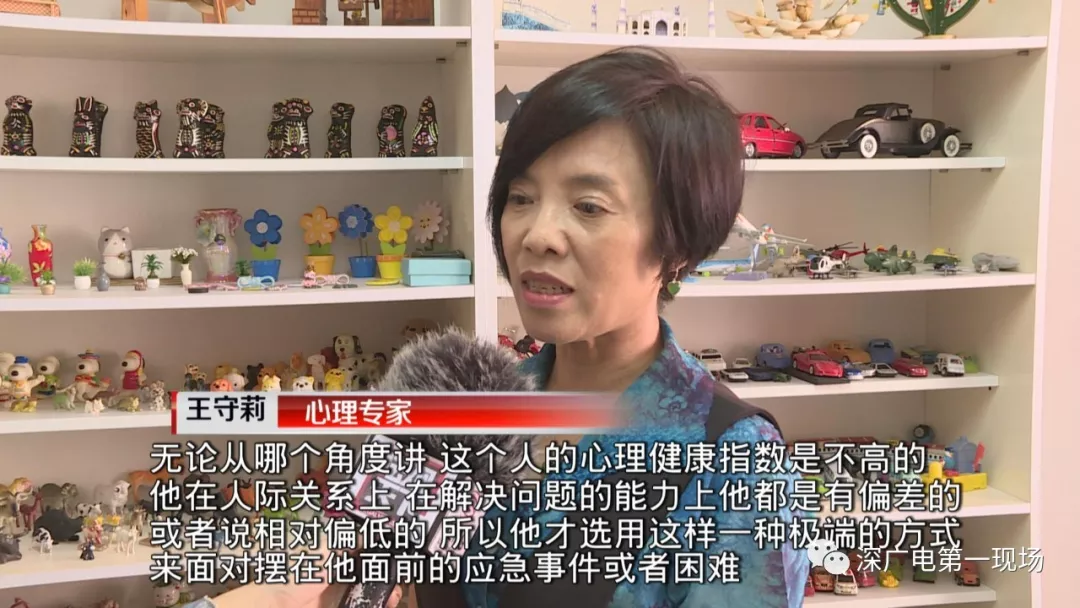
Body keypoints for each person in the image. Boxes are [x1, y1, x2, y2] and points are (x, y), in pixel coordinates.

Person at [189, 45, 807, 608]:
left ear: (678, 245)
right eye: (520, 197)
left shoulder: (732, 458)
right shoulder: (469, 410)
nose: (536, 234)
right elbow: (366, 583)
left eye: (588, 206)